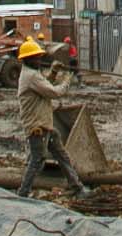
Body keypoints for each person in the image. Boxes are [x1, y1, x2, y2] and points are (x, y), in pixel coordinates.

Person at [15, 38, 89, 198]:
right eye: (35, 57)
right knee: (37, 160)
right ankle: (22, 194)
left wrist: (53, 73)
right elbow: (54, 92)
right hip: (37, 126)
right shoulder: (31, 76)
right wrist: (67, 80)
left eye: (39, 57)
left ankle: (77, 187)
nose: (39, 60)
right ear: (28, 59)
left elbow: (44, 87)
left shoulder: (31, 74)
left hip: (45, 125)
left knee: (62, 156)